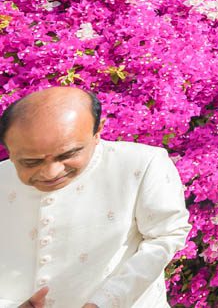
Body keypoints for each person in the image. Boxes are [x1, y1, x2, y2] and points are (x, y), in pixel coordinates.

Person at [0, 87, 191, 308]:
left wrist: (107, 301)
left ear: (98, 131)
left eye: (68, 155)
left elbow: (166, 236)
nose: (50, 173)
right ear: (9, 149)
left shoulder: (142, 164)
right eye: (30, 162)